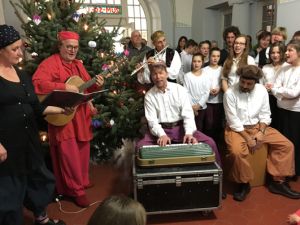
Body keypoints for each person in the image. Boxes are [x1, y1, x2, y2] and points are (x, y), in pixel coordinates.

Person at [0, 25, 66, 225]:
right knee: (9, 190)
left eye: (21, 47)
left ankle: (41, 217)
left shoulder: (22, 75)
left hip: (29, 141)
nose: (20, 53)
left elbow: (36, 108)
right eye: (14, 49)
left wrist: (61, 110)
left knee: (40, 180)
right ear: (0, 49)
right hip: (7, 145)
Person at [32, 31, 105, 208]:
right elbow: (37, 83)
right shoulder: (49, 63)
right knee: (69, 154)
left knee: (82, 149)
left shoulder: (79, 65)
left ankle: (82, 180)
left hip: (79, 114)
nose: (73, 50)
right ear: (60, 46)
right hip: (61, 115)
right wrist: (64, 86)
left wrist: (97, 85)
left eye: (75, 47)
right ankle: (75, 191)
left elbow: (86, 85)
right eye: (69, 47)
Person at [223, 65, 300, 202]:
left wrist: (261, 131)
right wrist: (248, 138)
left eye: (249, 84)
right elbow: (233, 120)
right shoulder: (229, 93)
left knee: (287, 145)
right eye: (243, 82)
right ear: (239, 79)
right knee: (236, 152)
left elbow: (265, 114)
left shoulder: (262, 91)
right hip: (237, 129)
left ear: (256, 82)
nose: (245, 86)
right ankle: (243, 184)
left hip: (258, 126)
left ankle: (277, 182)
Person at [135, 62, 221, 165]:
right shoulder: (149, 96)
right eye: (154, 74)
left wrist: (189, 133)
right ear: (151, 77)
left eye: (161, 73)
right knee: (139, 147)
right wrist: (161, 135)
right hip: (160, 130)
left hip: (181, 129)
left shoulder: (180, 90)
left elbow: (188, 114)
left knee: (210, 143)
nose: (158, 77)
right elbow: (152, 121)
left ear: (167, 74)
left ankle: (216, 178)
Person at [272, 40, 300, 175]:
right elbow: (274, 88)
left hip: (295, 112)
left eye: (290, 50)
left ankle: (293, 171)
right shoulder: (284, 67)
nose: (286, 53)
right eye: (287, 50)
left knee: (294, 142)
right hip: (280, 109)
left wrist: (280, 91)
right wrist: (283, 93)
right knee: (282, 142)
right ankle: (281, 170)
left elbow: (295, 93)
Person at [262, 42, 288, 128]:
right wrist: (264, 87)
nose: (275, 55)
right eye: (273, 53)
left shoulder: (287, 66)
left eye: (278, 52)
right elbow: (261, 84)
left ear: (283, 53)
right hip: (268, 99)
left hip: (283, 99)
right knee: (270, 124)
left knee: (282, 125)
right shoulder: (266, 67)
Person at [183, 53, 211, 132]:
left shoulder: (206, 76)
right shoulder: (187, 76)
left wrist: (199, 105)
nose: (196, 63)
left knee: (200, 127)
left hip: (202, 107)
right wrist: (192, 106)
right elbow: (186, 92)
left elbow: (206, 92)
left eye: (199, 61)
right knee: (190, 128)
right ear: (192, 62)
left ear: (202, 62)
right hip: (190, 107)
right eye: (194, 61)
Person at [202, 47, 224, 143]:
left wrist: (220, 89)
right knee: (209, 123)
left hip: (219, 100)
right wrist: (208, 90)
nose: (215, 58)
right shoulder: (204, 70)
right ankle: (209, 142)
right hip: (208, 100)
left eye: (218, 56)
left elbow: (224, 82)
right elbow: (202, 84)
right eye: (213, 56)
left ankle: (217, 144)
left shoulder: (222, 69)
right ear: (209, 56)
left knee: (218, 123)